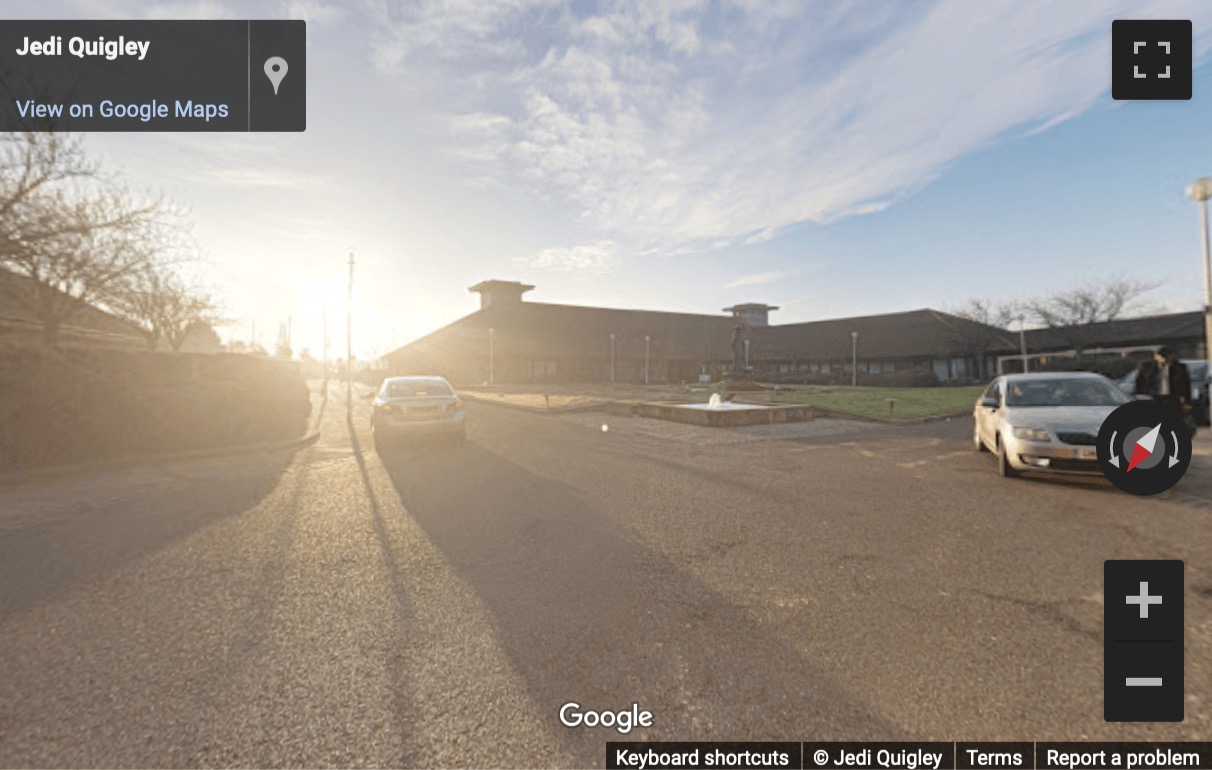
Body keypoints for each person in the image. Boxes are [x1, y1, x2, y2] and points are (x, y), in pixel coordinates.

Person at [1135, 347, 1195, 434]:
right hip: (1154, 398)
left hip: (1172, 398)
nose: (1164, 359)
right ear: (1156, 357)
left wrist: (1187, 401)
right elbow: (1139, 384)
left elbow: (1186, 385)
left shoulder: (1179, 368)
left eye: (1167, 357)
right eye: (1162, 356)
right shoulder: (1146, 368)